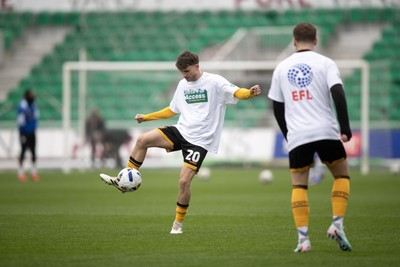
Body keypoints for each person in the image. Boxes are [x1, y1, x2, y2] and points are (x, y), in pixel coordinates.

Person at [100, 50, 261, 234]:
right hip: (182, 130)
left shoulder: (215, 81)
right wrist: (147, 117)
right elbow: (172, 110)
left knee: (184, 182)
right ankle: (126, 179)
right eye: (181, 73)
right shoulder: (183, 85)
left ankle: (177, 225)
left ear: (197, 66)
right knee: (142, 140)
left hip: (200, 141)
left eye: (187, 71)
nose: (184, 76)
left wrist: (249, 93)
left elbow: (237, 92)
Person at [268, 22, 352, 252]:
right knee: (341, 175)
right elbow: (338, 92)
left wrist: (288, 135)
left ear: (294, 41)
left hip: (298, 136)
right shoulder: (326, 63)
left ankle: (303, 241)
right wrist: (345, 127)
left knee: (299, 185)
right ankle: (337, 224)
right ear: (316, 40)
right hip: (326, 130)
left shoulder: (282, 67)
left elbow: (276, 106)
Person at [17, 88, 40, 181]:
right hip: (24, 132)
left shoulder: (34, 105)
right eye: (31, 95)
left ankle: (33, 172)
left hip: (32, 132)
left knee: (33, 152)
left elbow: (36, 117)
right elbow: (20, 120)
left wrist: (34, 128)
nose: (33, 97)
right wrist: (23, 131)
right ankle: (21, 172)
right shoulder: (22, 106)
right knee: (23, 151)